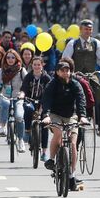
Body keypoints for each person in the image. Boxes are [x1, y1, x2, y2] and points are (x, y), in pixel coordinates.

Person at [40, 59, 87, 188]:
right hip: (54, 115)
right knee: (58, 133)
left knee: (73, 142)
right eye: (62, 71)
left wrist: (82, 116)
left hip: (71, 115)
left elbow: (81, 100)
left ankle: (71, 173)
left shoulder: (75, 84)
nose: (66, 73)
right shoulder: (52, 84)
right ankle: (51, 159)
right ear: (57, 72)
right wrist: (47, 116)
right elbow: (46, 100)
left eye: (67, 70)